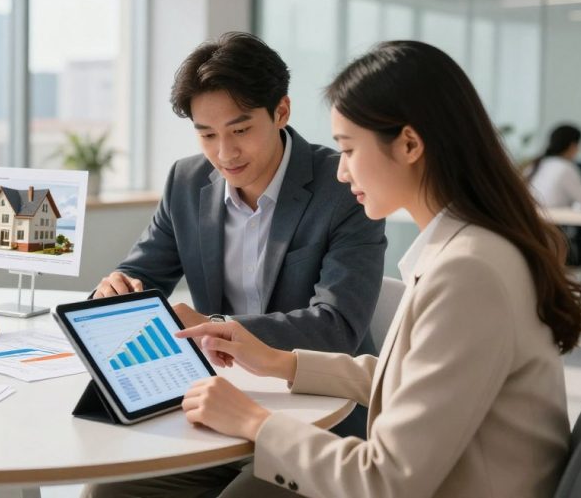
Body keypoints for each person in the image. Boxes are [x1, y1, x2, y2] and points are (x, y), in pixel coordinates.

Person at [175, 40, 581, 498]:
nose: (341, 172)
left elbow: (387, 480)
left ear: (409, 144)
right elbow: (413, 381)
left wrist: (253, 420)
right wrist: (280, 362)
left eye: (349, 150)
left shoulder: (469, 273)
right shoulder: (473, 249)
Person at [83, 32, 386, 497]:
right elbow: (143, 275)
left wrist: (214, 326)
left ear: (281, 111)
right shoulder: (187, 181)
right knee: (108, 491)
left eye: (240, 130)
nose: (224, 153)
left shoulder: (343, 186)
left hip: (319, 413)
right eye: (207, 134)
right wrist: (116, 294)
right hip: (218, 403)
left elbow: (338, 326)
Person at [527, 124, 581, 267]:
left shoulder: (535, 166)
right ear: (573, 145)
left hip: (535, 245)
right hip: (558, 248)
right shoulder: (565, 167)